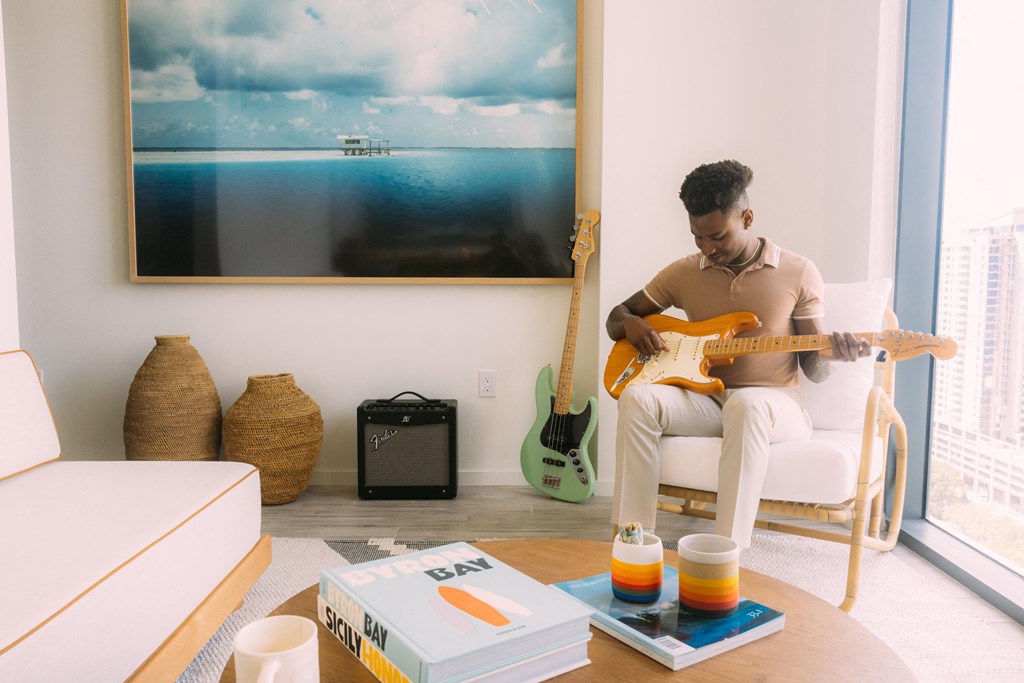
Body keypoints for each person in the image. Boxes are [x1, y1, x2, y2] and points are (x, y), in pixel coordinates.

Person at [606, 159, 870, 549]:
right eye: (698, 238)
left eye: (717, 237)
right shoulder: (683, 273)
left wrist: (834, 355)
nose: (707, 249)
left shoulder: (797, 271)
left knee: (745, 404)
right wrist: (632, 324)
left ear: (747, 218)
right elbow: (617, 316)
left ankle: (724, 554)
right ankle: (634, 544)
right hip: (707, 400)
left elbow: (813, 367)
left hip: (777, 407)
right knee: (637, 398)